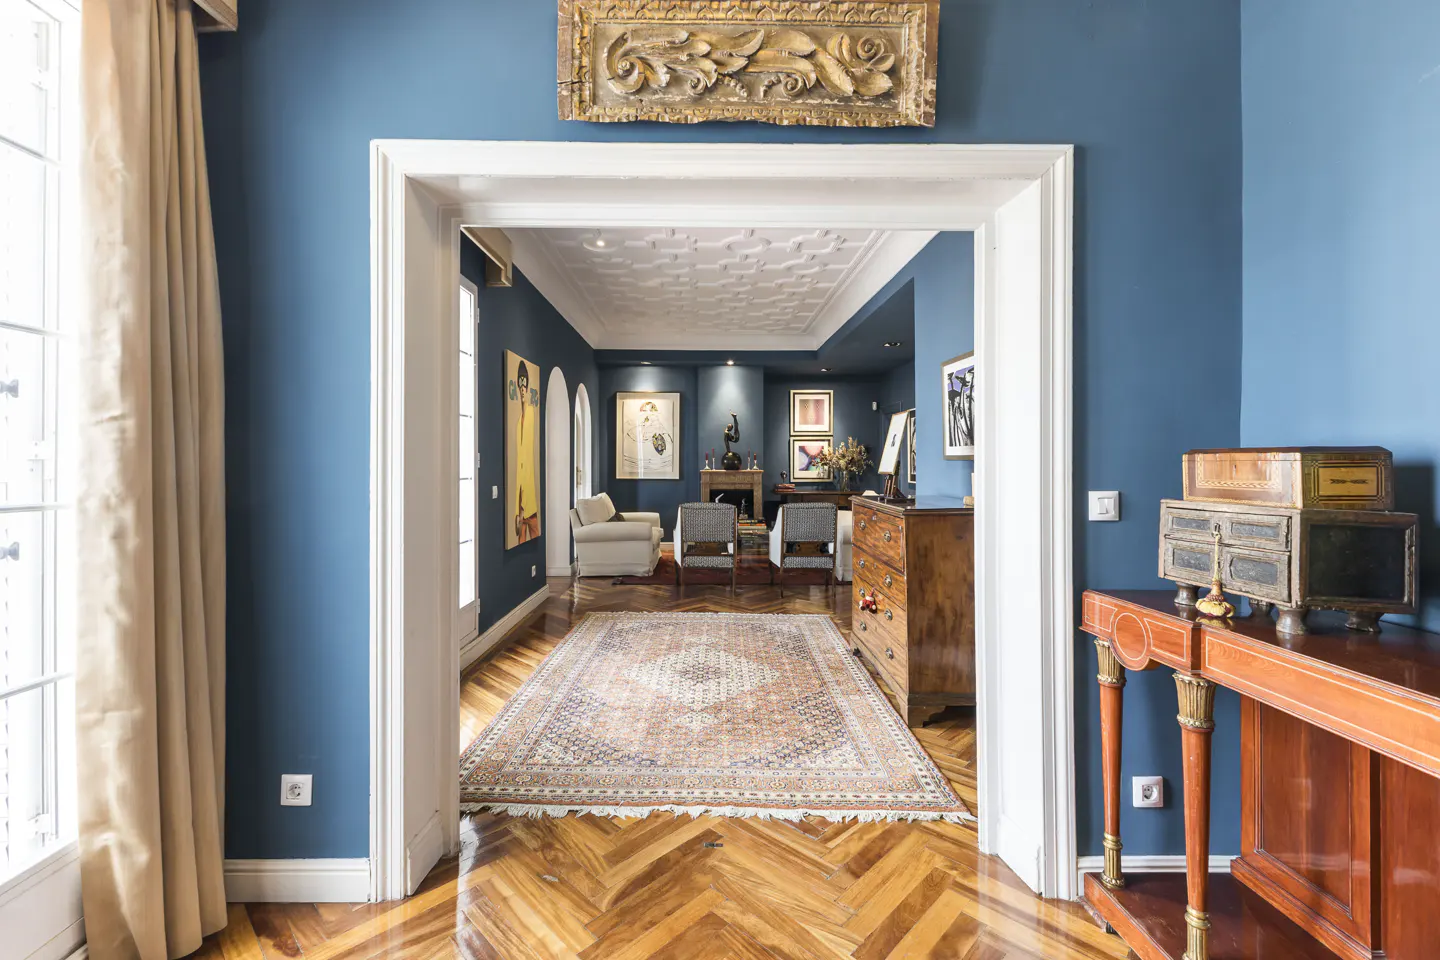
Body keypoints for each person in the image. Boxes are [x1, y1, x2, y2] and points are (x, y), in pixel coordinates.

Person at [513, 361, 540, 543]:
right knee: (521, 539)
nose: (522, 387)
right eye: (520, 382)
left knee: (534, 532)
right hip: (521, 501)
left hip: (529, 499)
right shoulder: (518, 422)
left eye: (525, 383)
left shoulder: (530, 414)